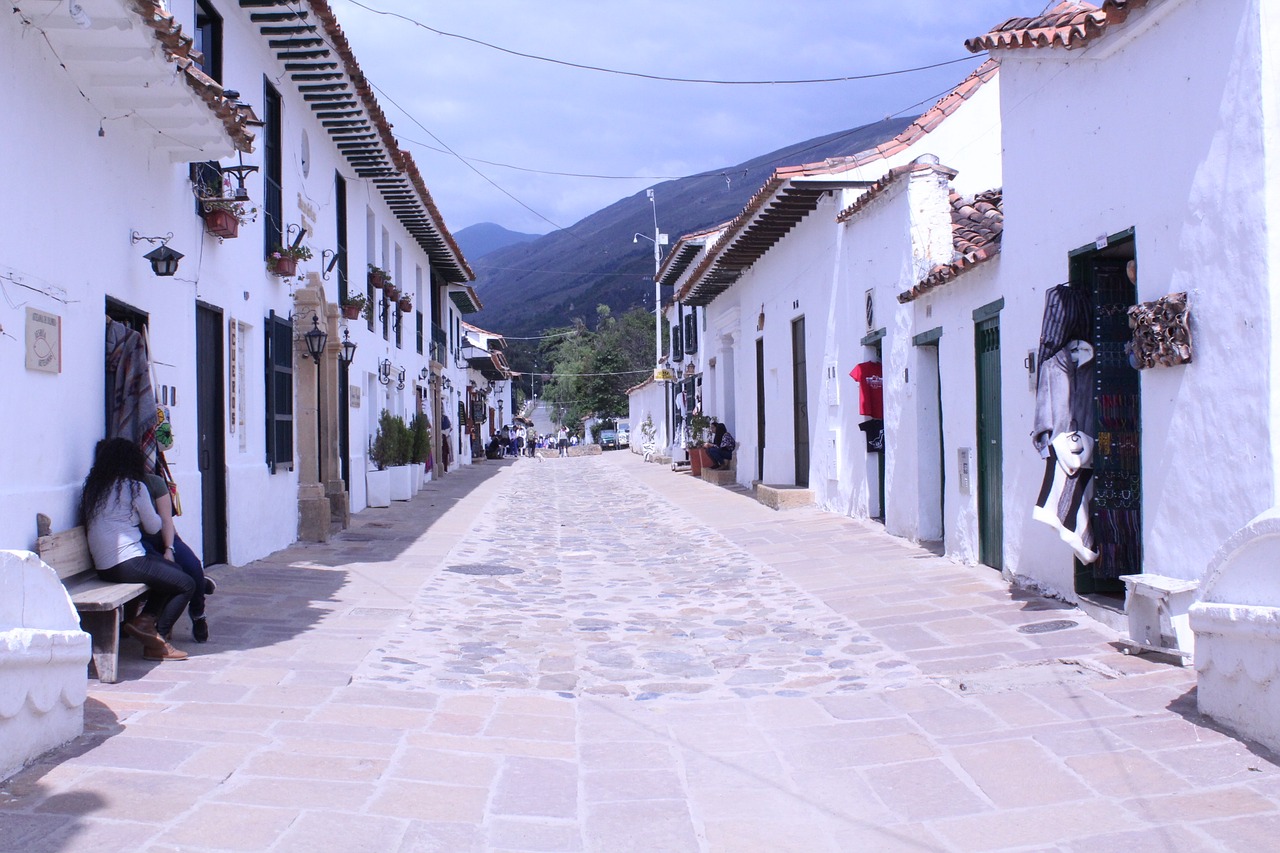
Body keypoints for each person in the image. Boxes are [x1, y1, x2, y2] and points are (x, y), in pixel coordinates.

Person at [79, 438, 193, 661]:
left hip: (105, 566)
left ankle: (144, 621)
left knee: (172, 570)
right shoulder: (135, 487)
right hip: (127, 562)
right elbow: (153, 526)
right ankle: (157, 640)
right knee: (186, 583)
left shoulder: (95, 488)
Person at [140, 472, 216, 643]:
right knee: (173, 573)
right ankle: (201, 585)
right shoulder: (122, 486)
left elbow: (166, 520)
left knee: (193, 565)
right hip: (141, 542)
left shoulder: (154, 483)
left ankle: (198, 613)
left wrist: (169, 548)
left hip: (164, 536)